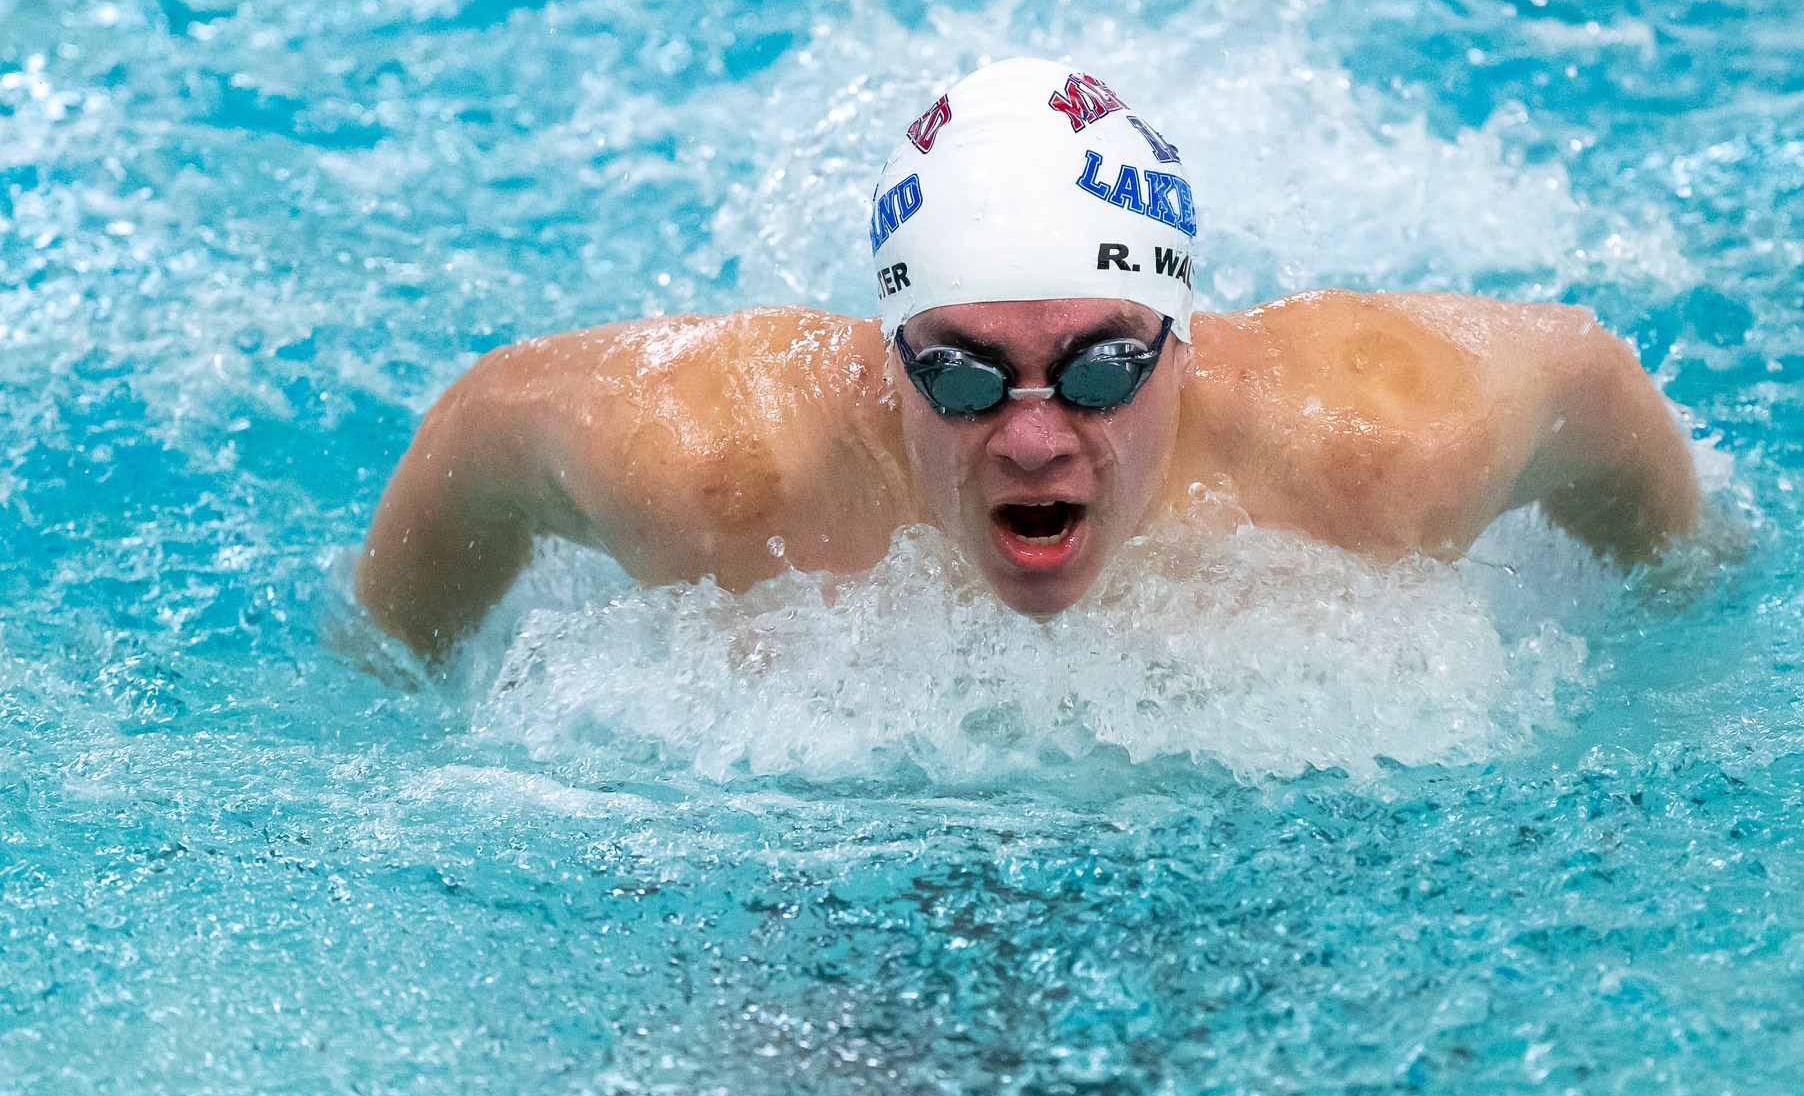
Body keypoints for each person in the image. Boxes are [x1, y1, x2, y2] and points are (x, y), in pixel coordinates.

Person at [356, 57, 1700, 657]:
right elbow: (481, 426)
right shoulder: (717, 464)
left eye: (1104, 368)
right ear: (890, 361)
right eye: (964, 374)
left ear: (1183, 345)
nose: (1039, 436)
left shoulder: (1374, 440)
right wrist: (389, 677)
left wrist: (1687, 613)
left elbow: (1593, 377)